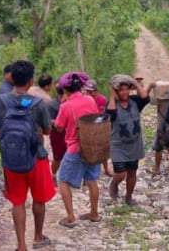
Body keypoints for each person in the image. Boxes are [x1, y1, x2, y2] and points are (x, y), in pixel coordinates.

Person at [0, 60, 54, 251]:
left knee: (18, 202)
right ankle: (38, 237)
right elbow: (48, 131)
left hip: (11, 160)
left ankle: (21, 245)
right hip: (36, 158)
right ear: (31, 80)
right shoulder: (38, 104)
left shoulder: (0, 102)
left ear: (12, 78)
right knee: (39, 200)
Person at [54, 71, 102, 227]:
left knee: (62, 180)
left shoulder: (66, 105)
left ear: (65, 90)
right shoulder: (89, 99)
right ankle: (94, 213)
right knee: (91, 179)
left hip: (75, 147)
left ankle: (70, 217)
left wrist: (62, 105)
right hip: (92, 145)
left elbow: (59, 126)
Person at [106, 74, 156, 205]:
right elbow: (110, 114)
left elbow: (145, 97)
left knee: (132, 172)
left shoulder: (135, 101)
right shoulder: (112, 104)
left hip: (134, 145)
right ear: (116, 91)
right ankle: (114, 184)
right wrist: (111, 95)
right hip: (118, 145)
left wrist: (134, 83)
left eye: (126, 89)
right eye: (120, 90)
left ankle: (128, 197)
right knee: (121, 173)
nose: (124, 92)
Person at [84, 79, 113, 176]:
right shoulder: (85, 99)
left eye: (90, 91)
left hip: (100, 127)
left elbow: (106, 112)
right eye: (87, 91)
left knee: (103, 148)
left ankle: (105, 168)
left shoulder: (102, 99)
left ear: (95, 91)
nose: (88, 93)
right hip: (88, 127)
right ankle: (87, 172)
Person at [150, 100, 169, 175]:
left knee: (158, 149)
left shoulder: (161, 100)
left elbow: (151, 100)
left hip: (163, 130)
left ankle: (156, 168)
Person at [48, 86, 68, 184]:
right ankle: (53, 175)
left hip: (69, 133)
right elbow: (48, 120)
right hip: (57, 134)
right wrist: (59, 122)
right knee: (57, 157)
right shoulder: (52, 105)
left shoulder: (69, 103)